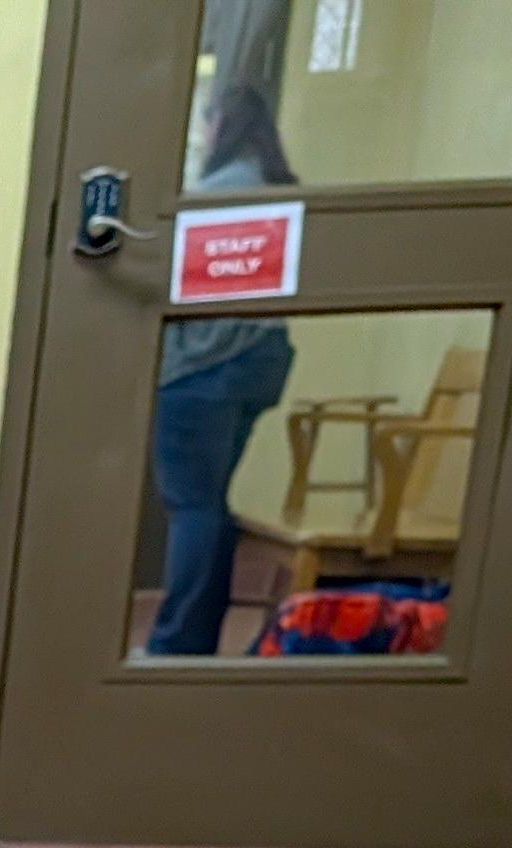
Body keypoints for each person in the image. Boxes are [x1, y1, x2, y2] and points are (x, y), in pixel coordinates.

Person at [146, 80, 299, 657]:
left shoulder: (213, 195)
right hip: (260, 366)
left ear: (220, 127)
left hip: (203, 371)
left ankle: (176, 643)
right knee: (210, 503)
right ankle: (197, 638)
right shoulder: (278, 190)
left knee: (192, 505)